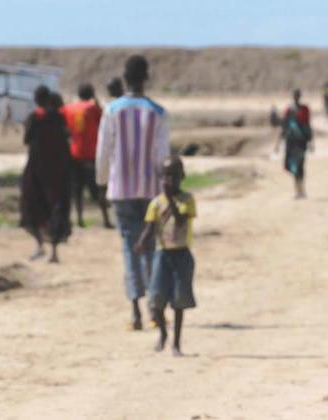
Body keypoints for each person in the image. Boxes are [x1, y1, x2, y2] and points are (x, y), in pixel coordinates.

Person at [96, 55, 170, 330]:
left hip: (121, 190)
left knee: (130, 248)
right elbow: (163, 157)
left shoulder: (112, 110)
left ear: (125, 79)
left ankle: (135, 312)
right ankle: (154, 310)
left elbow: (104, 150)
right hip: (151, 191)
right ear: (146, 78)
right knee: (150, 247)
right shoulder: (158, 112)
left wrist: (102, 181)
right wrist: (166, 192)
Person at [134, 156, 196, 356]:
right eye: (167, 176)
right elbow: (150, 227)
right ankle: (163, 333)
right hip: (162, 255)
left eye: (174, 176)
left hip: (182, 254)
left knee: (179, 301)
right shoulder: (155, 203)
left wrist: (170, 201)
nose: (170, 180)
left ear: (182, 176)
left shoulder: (187, 199)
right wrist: (141, 242)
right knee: (156, 297)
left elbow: (181, 221)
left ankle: (176, 343)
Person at [19, 86, 72, 263]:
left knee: (32, 205)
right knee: (56, 207)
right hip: (57, 170)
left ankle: (39, 245)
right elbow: (66, 139)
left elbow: (26, 139)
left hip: (37, 168)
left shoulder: (34, 118)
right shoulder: (59, 118)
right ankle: (54, 252)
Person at [61, 83, 114, 229]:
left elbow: (65, 127)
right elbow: (103, 120)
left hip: (75, 153)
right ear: (91, 94)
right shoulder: (93, 108)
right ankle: (105, 220)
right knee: (99, 187)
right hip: (91, 154)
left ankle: (79, 219)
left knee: (77, 189)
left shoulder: (68, 108)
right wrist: (96, 101)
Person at [275, 89, 313, 199]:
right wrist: (278, 144)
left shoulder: (304, 109)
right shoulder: (289, 110)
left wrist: (311, 142)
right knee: (293, 166)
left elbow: (308, 125)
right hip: (291, 143)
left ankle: (302, 190)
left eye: (297, 96)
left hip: (301, 142)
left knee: (300, 166)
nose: (296, 97)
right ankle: (298, 190)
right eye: (295, 96)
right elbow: (284, 127)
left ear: (299, 97)